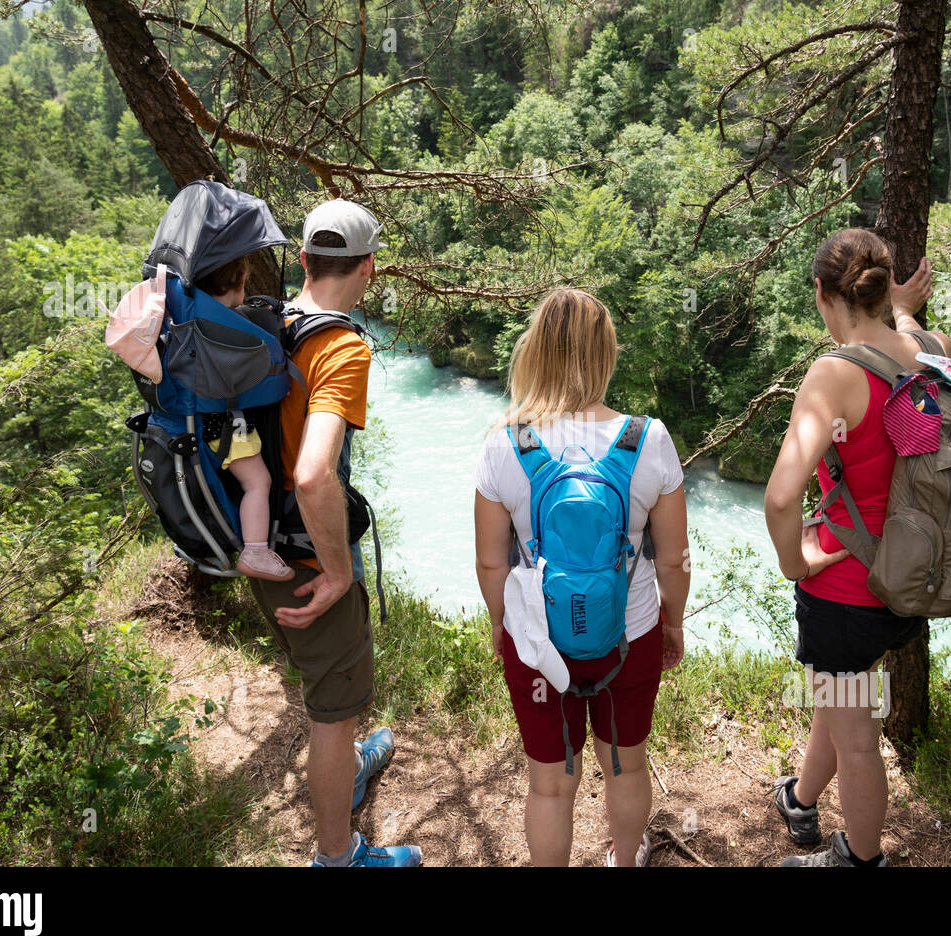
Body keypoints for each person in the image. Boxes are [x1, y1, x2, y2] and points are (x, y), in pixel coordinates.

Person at [474, 288, 690, 867]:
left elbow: (492, 562)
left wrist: (503, 626)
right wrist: (673, 623)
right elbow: (673, 559)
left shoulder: (505, 443)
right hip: (632, 635)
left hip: (539, 644)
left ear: (535, 350)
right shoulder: (648, 439)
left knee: (549, 782)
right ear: (606, 353)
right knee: (624, 765)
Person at [763, 228, 948, 868]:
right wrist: (899, 308)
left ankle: (858, 860)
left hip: (845, 592)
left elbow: (782, 497)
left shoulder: (833, 376)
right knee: (843, 701)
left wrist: (796, 563)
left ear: (822, 292)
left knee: (858, 737)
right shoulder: (931, 351)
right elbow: (906, 340)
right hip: (903, 584)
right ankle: (802, 799)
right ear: (881, 287)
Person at [245, 198, 421, 867]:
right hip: (307, 557)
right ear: (370, 266)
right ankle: (338, 856)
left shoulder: (267, 325)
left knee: (320, 680)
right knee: (332, 707)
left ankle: (348, 764)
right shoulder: (340, 347)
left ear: (301, 260)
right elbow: (316, 475)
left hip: (255, 544)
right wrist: (340, 571)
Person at [189, 254, 294, 582]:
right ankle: (255, 551)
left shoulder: (192, 315)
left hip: (202, 419)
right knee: (258, 482)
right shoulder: (226, 327)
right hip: (226, 422)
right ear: (238, 284)